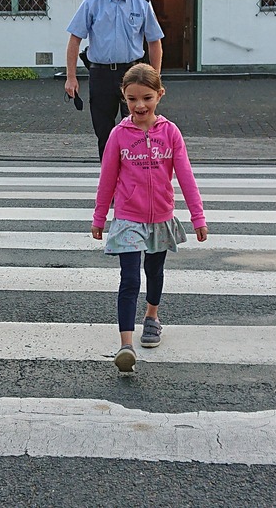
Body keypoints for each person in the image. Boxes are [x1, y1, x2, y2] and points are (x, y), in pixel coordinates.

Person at [91, 64, 207, 372]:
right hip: (128, 217)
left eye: (146, 98)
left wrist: (198, 217)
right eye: (131, 99)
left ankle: (152, 316)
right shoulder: (118, 135)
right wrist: (99, 217)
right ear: (124, 98)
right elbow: (107, 179)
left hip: (160, 218)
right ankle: (125, 344)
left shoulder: (170, 133)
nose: (139, 105)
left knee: (154, 272)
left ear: (159, 95)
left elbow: (185, 175)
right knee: (129, 279)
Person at [65, 0, 165, 159]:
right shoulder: (93, 2)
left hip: (133, 74)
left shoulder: (141, 3)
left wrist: (154, 79)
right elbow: (75, 39)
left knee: (137, 131)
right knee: (105, 133)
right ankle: (109, 186)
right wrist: (71, 78)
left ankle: (133, 182)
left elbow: (154, 42)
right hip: (101, 75)